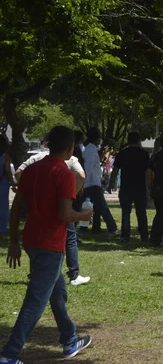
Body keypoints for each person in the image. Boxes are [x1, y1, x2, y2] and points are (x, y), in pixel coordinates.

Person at [0, 126, 94, 363]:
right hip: (50, 245)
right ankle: (10, 355)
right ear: (70, 148)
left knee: (56, 293)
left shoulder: (32, 169)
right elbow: (65, 214)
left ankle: (69, 339)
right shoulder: (63, 173)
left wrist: (13, 240)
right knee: (36, 301)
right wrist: (84, 215)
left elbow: (17, 206)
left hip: (32, 241)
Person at [15, 138, 91, 286]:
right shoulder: (67, 168)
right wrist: (75, 201)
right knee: (69, 239)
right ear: (69, 148)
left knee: (57, 292)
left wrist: (26, 191)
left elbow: (19, 173)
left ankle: (34, 275)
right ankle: (74, 274)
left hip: (33, 225)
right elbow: (81, 176)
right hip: (54, 230)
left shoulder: (34, 162)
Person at [109, 131, 150, 243]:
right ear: (138, 140)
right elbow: (148, 172)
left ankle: (125, 236)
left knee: (126, 213)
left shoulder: (122, 153)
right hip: (140, 186)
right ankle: (144, 236)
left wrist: (111, 183)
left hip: (126, 186)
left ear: (128, 140)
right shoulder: (144, 154)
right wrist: (149, 187)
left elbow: (115, 170)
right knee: (141, 213)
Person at [81, 127, 119, 237]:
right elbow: (88, 167)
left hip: (92, 181)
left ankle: (95, 227)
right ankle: (112, 228)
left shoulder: (89, 149)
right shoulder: (91, 150)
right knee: (102, 206)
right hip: (91, 182)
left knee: (95, 207)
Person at [0, 135, 18, 234]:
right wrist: (13, 183)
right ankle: (2, 227)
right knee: (2, 205)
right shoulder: (6, 156)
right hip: (2, 182)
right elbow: (7, 170)